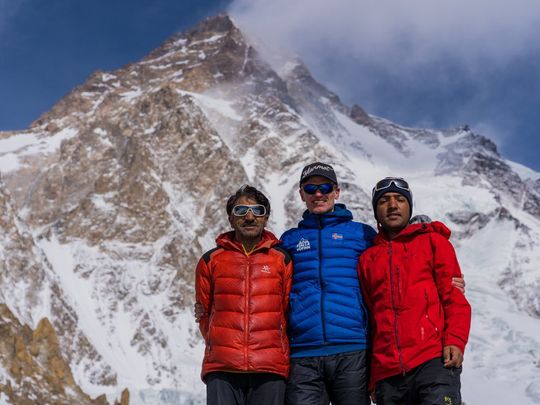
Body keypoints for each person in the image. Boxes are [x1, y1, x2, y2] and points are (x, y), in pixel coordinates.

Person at [357, 177, 472, 405]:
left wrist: (456, 340)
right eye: (384, 201)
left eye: (400, 199)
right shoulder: (367, 259)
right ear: (375, 210)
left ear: (409, 206)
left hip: (434, 360)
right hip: (387, 374)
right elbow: (371, 318)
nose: (392, 205)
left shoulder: (434, 243)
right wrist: (373, 377)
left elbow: (454, 299)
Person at [280, 162, 376, 405]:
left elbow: (393, 264)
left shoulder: (362, 235)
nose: (318, 194)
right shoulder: (290, 240)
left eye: (325, 187)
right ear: (302, 194)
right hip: (303, 352)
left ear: (337, 191)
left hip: (352, 348)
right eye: (311, 189)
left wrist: (445, 277)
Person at [195, 185, 293, 405]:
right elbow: (204, 313)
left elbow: (286, 310)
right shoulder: (211, 260)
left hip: (270, 367)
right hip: (222, 368)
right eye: (240, 211)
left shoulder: (282, 260)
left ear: (266, 217)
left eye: (257, 211)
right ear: (230, 218)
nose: (249, 217)